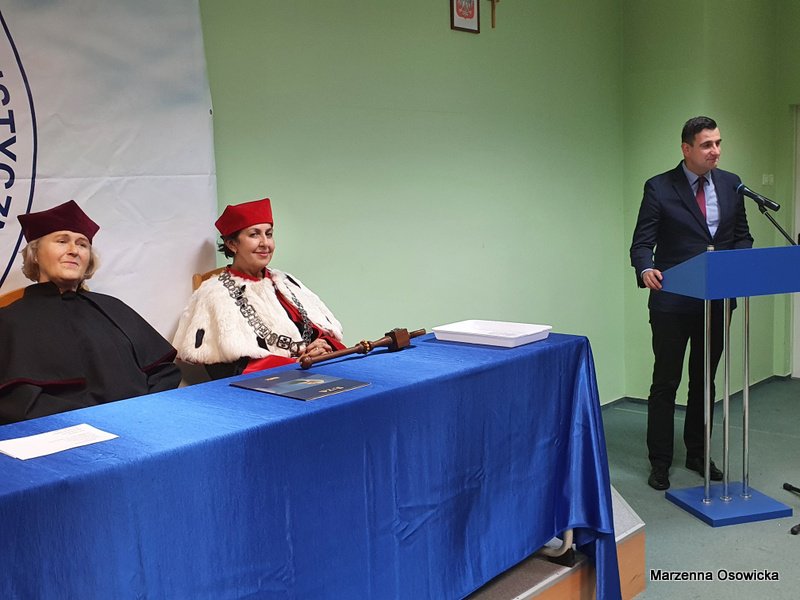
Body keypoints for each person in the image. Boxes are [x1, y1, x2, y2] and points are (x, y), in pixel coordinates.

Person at [630, 116, 754, 491]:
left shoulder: (732, 184)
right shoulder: (659, 187)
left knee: (704, 382)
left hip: (716, 301)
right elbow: (642, 243)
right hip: (671, 302)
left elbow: (742, 237)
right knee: (666, 382)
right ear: (686, 149)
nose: (715, 150)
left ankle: (698, 454)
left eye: (718, 143)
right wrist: (645, 268)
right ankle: (660, 461)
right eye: (707, 145)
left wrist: (738, 265)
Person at [0, 200, 181, 425]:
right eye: (62, 241)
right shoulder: (9, 321)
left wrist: (144, 411)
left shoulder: (113, 308)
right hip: (63, 433)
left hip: (143, 422)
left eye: (82, 244)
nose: (74, 251)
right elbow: (16, 403)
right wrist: (96, 421)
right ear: (35, 254)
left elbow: (163, 372)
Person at [173, 198, 345, 379]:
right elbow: (226, 370)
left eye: (269, 234)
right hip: (267, 383)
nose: (265, 243)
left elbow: (317, 330)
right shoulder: (214, 293)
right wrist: (295, 364)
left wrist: (321, 345)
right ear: (232, 244)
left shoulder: (285, 282)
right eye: (254, 235)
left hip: (315, 370)